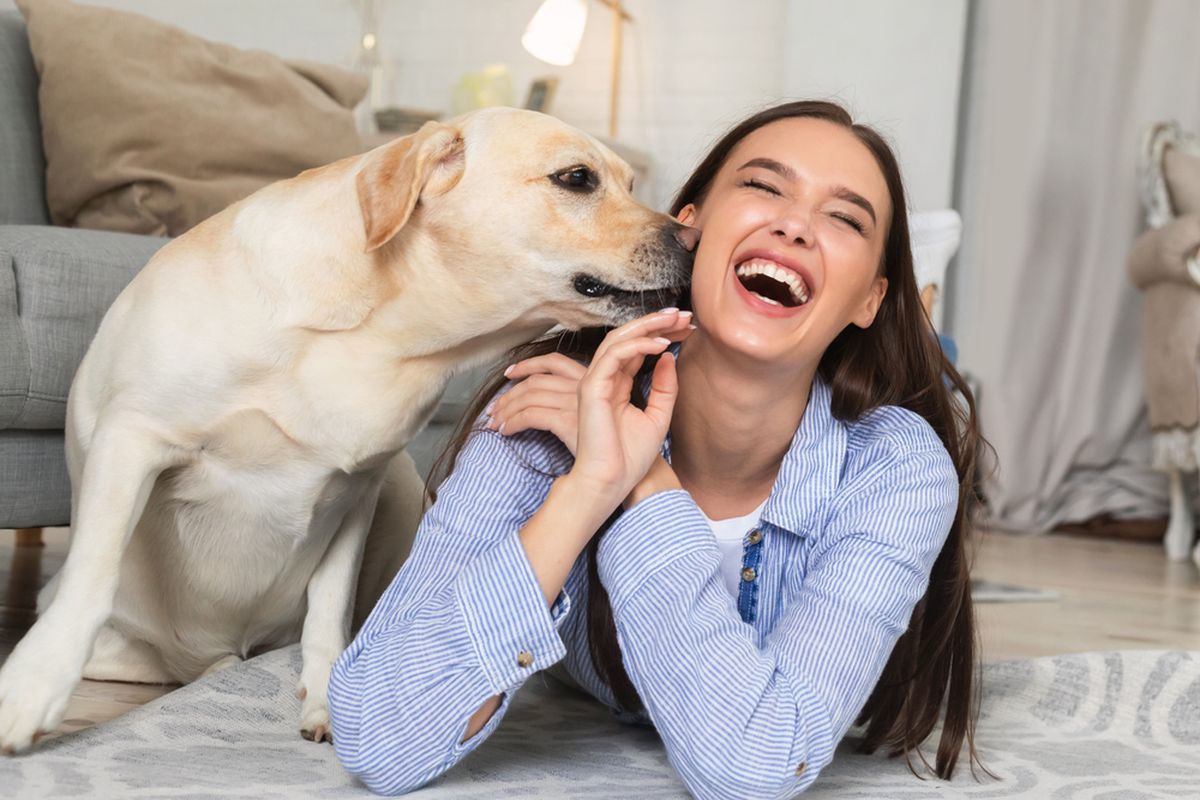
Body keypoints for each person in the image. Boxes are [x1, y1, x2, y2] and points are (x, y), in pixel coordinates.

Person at [327, 100, 986, 798]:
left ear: (870, 301)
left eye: (846, 218)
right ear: (688, 229)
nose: (795, 224)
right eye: (765, 187)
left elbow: (752, 767)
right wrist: (588, 485)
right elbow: (378, 733)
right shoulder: (551, 403)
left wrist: (642, 481)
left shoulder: (896, 468)